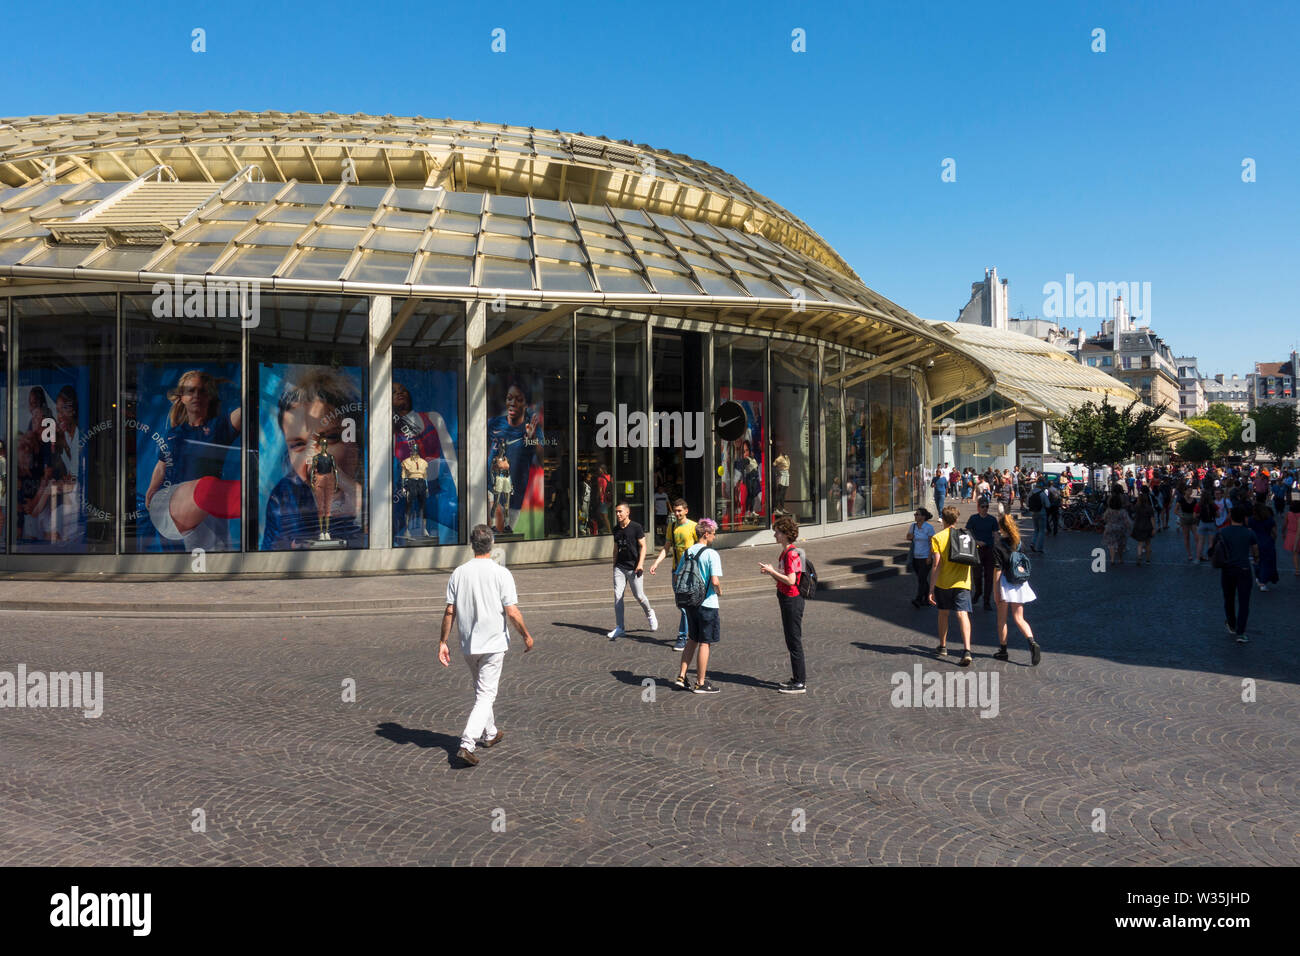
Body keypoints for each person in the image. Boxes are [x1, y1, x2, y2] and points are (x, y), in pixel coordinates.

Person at [439, 524, 534, 767]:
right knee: (486, 694)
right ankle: (467, 743)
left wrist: (443, 642)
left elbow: (450, 611)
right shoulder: (501, 573)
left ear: (472, 545)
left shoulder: (459, 573)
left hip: (468, 644)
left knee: (481, 690)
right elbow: (512, 612)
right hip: (493, 643)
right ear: (491, 545)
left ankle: (490, 733)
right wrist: (525, 635)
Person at [262, 366, 365, 550]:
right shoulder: (285, 496)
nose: (313, 456)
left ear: (355, 441)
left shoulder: (377, 486)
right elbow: (272, 554)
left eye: (330, 438)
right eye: (298, 445)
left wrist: (362, 502)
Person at [487, 378, 543, 534]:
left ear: (526, 404)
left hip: (514, 496)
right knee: (493, 528)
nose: (512, 403)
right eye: (509, 398)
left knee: (504, 535)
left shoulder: (532, 429)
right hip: (490, 487)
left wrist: (532, 439)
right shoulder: (494, 423)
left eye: (519, 399)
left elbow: (543, 459)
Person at [759, 515, 807, 693]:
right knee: (791, 639)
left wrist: (772, 571)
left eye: (777, 532)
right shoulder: (786, 552)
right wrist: (771, 572)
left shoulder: (791, 553)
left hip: (792, 600)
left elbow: (791, 580)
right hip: (787, 598)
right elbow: (785, 576)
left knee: (794, 640)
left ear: (786, 534)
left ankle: (800, 682)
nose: (775, 536)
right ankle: (796, 678)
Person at [674, 518, 723, 694]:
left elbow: (677, 575)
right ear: (707, 534)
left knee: (692, 639)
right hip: (707, 603)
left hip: (690, 603)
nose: (714, 537)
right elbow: (715, 580)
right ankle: (701, 683)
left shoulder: (688, 552)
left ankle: (681, 676)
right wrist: (720, 591)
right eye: (714, 534)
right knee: (705, 642)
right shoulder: (711, 554)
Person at [991, 509, 1042, 665]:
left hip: (1005, 584)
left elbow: (997, 571)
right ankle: (1032, 642)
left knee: (1002, 620)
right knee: (1019, 618)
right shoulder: (1018, 542)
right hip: (1019, 583)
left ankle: (1003, 650)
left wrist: (996, 591)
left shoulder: (998, 545)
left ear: (1001, 528)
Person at [928, 505, 974, 667]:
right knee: (962, 615)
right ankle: (967, 650)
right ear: (956, 519)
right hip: (963, 582)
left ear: (944, 519)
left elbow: (937, 565)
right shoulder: (966, 536)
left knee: (943, 614)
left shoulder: (938, 538)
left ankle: (943, 646)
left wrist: (931, 588)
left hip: (944, 582)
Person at [650, 497, 698, 651]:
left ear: (686, 510)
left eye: (679, 511)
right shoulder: (671, 527)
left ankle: (683, 637)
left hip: (690, 572)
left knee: (685, 605)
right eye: (675, 511)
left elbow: (700, 549)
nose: (677, 514)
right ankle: (692, 632)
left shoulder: (693, 527)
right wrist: (656, 563)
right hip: (676, 571)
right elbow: (666, 548)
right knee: (682, 604)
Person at [606, 501, 657, 640]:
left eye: (620, 511)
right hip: (620, 567)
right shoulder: (616, 529)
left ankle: (649, 613)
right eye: (616, 512)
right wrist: (614, 564)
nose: (617, 514)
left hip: (634, 568)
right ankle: (620, 628)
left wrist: (640, 564)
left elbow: (643, 546)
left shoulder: (636, 527)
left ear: (627, 512)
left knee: (639, 596)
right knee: (618, 597)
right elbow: (616, 548)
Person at [1215, 506, 1259, 643]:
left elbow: (1215, 549)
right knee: (1244, 602)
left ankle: (1231, 624)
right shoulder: (1249, 533)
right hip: (1244, 569)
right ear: (1244, 518)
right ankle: (1241, 632)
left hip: (1227, 569)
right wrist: (1256, 560)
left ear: (1231, 517)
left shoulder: (1222, 532)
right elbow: (1255, 551)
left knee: (1228, 598)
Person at [964, 496, 998, 611]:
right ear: (978, 507)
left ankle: (987, 600)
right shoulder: (973, 518)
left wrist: (997, 548)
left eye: (987, 506)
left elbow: (996, 534)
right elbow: (967, 532)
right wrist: (976, 541)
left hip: (989, 550)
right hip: (977, 550)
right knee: (977, 575)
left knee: (989, 577)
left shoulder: (992, 519)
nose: (985, 509)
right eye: (983, 507)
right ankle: (978, 592)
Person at [307, 436, 338, 541]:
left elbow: (335, 470)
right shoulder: (316, 457)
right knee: (320, 507)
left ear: (327, 445)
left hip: (329, 479)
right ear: (320, 445)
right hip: (320, 479)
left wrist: (336, 482)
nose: (324, 446)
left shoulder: (331, 457)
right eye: (322, 444)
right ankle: (321, 532)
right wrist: (312, 481)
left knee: (328, 507)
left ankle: (327, 531)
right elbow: (312, 470)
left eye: (325, 444)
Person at [906, 507, 936, 608]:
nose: (915, 516)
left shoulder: (929, 528)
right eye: (915, 514)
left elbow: (933, 543)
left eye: (917, 514)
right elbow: (908, 536)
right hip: (915, 557)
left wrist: (929, 557)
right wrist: (911, 536)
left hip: (925, 557)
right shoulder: (913, 526)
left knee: (922, 578)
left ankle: (918, 599)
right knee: (921, 579)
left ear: (923, 517)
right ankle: (927, 599)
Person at [400, 438, 429, 538]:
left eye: (416, 450)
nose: (415, 452)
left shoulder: (424, 462)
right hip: (411, 482)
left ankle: (424, 529)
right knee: (409, 506)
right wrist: (404, 488)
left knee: (423, 507)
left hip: (421, 483)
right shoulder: (406, 462)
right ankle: (407, 529)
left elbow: (425, 476)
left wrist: (427, 488)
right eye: (413, 450)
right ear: (411, 451)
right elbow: (403, 476)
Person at [1248, 502, 1279, 592]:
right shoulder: (1269, 520)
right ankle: (1263, 582)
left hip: (1255, 542)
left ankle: (1258, 576)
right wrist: (1273, 540)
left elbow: (1249, 531)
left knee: (1256, 560)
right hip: (1267, 542)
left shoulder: (1251, 520)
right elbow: (1274, 532)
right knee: (1266, 562)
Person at [1102, 493, 1133, 565]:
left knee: (1111, 544)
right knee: (1120, 545)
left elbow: (1104, 518)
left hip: (1110, 528)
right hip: (1120, 529)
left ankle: (1112, 559)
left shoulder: (1108, 511)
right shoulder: (1122, 511)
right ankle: (1120, 558)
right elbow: (1127, 521)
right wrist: (1129, 528)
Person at [1131, 493, 1155, 565]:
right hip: (1147, 526)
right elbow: (1152, 519)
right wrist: (1154, 528)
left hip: (1138, 526)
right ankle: (1147, 560)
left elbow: (1133, 515)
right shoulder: (1149, 508)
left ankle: (1139, 557)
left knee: (1140, 543)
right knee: (1148, 544)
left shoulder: (1136, 507)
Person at [1026, 479, 1048, 553]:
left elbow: (1027, 503)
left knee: (1036, 530)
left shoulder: (1031, 493)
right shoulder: (1042, 493)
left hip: (1033, 513)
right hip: (1042, 513)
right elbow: (1048, 505)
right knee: (1042, 531)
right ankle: (1040, 548)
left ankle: (1033, 543)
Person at [1284, 501, 1300, 577]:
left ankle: (1297, 570)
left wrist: (1283, 532)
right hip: (1297, 534)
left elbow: (1285, 524)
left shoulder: (1288, 514)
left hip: (1291, 535)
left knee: (1295, 554)